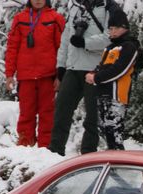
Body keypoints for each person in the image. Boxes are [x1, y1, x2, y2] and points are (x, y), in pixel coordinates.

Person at [48, 0, 112, 156]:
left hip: (95, 69)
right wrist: (61, 66)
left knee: (92, 115)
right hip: (73, 67)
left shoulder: (108, 8)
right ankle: (54, 152)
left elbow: (110, 37)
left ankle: (88, 153)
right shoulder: (75, 7)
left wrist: (85, 42)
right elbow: (66, 38)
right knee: (61, 111)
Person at [4, 0, 65, 147]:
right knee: (26, 115)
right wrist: (9, 74)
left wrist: (60, 75)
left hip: (48, 76)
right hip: (26, 76)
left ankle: (46, 150)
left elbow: (62, 48)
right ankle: (25, 150)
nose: (38, 1)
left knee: (48, 115)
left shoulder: (56, 18)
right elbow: (12, 47)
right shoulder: (20, 18)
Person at [84, 9, 139, 151]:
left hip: (117, 96)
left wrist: (96, 77)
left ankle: (120, 164)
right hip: (102, 94)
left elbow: (120, 70)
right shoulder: (109, 48)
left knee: (115, 131)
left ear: (125, 28)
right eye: (111, 28)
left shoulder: (129, 46)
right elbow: (102, 66)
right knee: (105, 130)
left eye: (116, 28)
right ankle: (112, 163)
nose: (113, 31)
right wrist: (93, 74)